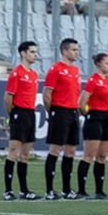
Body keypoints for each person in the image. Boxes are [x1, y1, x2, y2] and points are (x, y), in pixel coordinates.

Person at [42, 38, 84, 199]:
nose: (76, 52)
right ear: (65, 51)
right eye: (73, 49)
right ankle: (49, 190)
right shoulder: (55, 69)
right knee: (55, 149)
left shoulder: (75, 70)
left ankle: (67, 189)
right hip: (60, 111)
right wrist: (52, 113)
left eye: (77, 49)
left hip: (74, 112)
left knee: (71, 150)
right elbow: (47, 94)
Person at [2, 41, 41, 200]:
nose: (35, 55)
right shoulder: (17, 73)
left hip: (31, 114)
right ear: (23, 53)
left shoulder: (34, 74)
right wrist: (13, 114)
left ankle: (24, 190)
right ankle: (8, 190)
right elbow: (8, 97)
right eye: (32, 52)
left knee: (25, 155)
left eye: (35, 52)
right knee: (13, 152)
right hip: (19, 113)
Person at [77, 52, 108, 199]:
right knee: (89, 155)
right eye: (107, 63)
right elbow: (82, 102)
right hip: (94, 117)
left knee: (102, 156)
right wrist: (87, 114)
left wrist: (107, 110)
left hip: (106, 117)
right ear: (99, 64)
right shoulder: (93, 80)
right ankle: (81, 190)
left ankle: (99, 191)